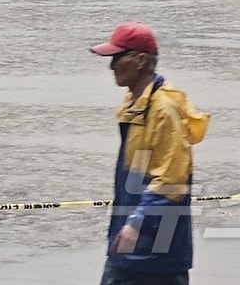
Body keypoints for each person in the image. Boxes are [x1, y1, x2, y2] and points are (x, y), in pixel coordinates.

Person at [90, 22, 208, 285]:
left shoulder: (163, 110)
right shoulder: (137, 106)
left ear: (141, 61)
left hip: (154, 242)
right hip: (132, 239)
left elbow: (171, 180)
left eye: (118, 57)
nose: (111, 67)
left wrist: (137, 224)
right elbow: (139, 174)